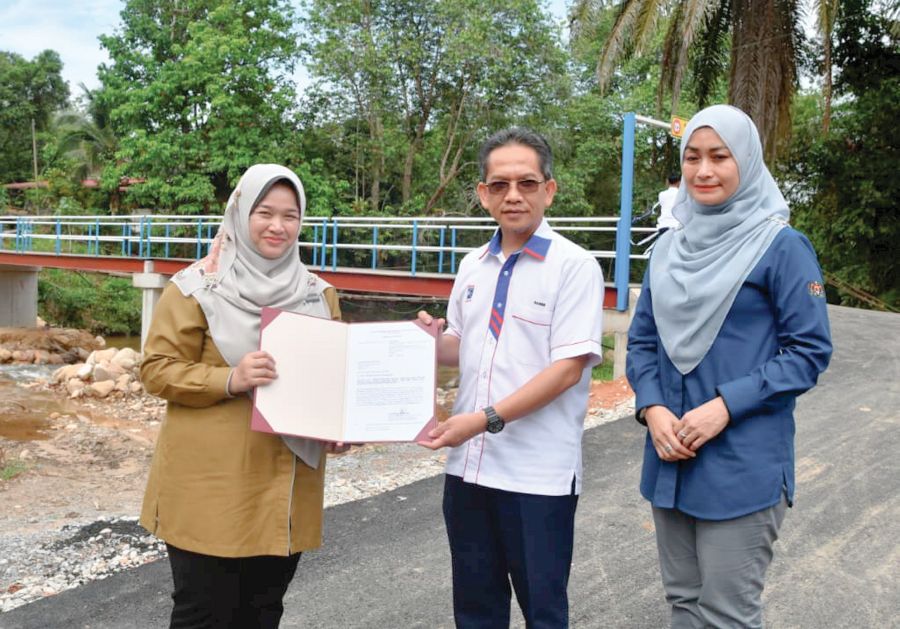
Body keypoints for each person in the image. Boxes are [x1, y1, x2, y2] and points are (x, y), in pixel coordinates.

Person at [626, 105, 832, 629]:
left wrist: (724, 406)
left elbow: (808, 352)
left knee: (726, 615)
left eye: (719, 157)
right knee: (683, 602)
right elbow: (643, 342)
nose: (703, 170)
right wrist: (652, 408)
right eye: (692, 157)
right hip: (670, 457)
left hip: (741, 462)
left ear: (747, 160)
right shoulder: (668, 250)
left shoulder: (781, 247)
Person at [139, 164, 347, 628]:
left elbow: (331, 382)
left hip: (284, 483)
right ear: (240, 213)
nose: (278, 226)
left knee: (262, 611)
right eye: (264, 212)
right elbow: (156, 370)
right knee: (203, 613)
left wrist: (339, 427)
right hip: (209, 484)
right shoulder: (195, 288)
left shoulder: (318, 295)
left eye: (290, 215)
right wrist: (230, 379)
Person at [418, 128, 604, 628]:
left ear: (549, 190)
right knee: (475, 610)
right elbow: (461, 346)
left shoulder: (574, 267)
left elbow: (566, 370)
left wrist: (484, 419)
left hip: (536, 475)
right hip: (469, 470)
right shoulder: (472, 266)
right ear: (484, 194)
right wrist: (425, 342)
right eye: (499, 185)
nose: (513, 195)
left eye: (527, 183)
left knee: (543, 611)